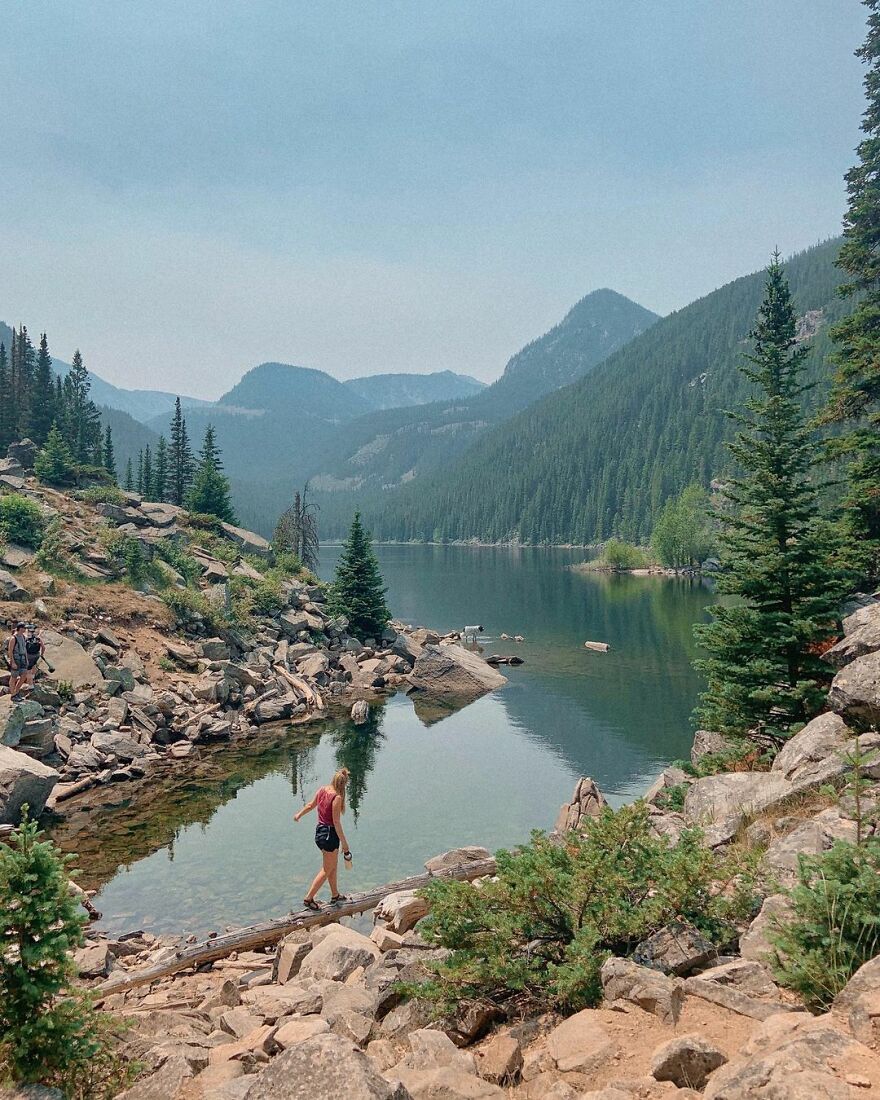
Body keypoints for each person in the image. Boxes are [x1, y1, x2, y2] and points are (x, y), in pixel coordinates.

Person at [294, 767, 353, 910]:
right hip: (329, 835)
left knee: (332, 866)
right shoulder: (337, 798)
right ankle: (308, 898)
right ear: (343, 785)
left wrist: (299, 814)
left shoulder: (322, 790)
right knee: (327, 869)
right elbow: (336, 823)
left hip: (319, 832)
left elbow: (310, 805)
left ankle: (335, 895)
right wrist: (345, 845)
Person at [5, 622, 29, 700]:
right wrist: (12, 662)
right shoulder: (13, 638)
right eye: (24, 628)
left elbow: (24, 649)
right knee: (14, 677)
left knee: (24, 675)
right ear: (20, 628)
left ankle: (16, 691)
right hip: (16, 659)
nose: (25, 629)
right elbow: (10, 651)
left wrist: (26, 659)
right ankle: (13, 695)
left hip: (23, 659)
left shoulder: (23, 637)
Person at [23, 624, 45, 689]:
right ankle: (33, 677)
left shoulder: (26, 638)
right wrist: (42, 654)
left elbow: (24, 649)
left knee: (28, 671)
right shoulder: (38, 638)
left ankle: (30, 685)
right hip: (37, 655)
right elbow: (43, 647)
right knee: (34, 666)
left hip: (29, 656)